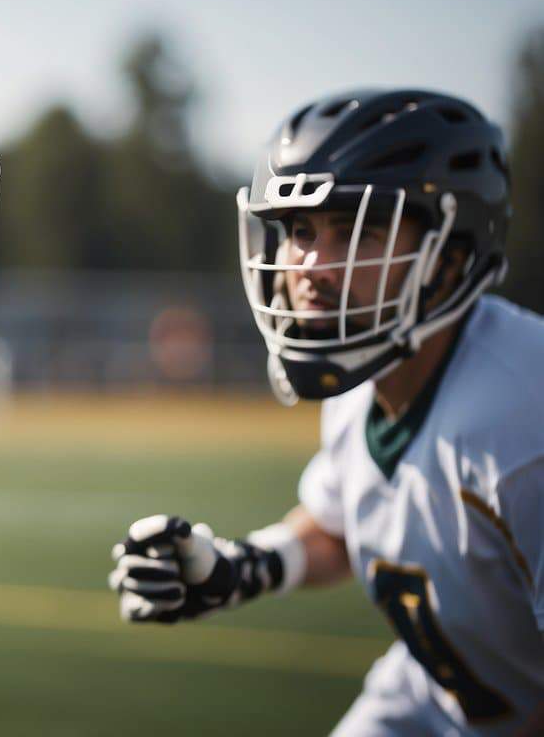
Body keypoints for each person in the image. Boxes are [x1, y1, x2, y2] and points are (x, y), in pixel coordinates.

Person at [109, 88, 543, 735]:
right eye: (301, 231)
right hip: (428, 696)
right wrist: (235, 570)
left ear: (449, 257)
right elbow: (339, 527)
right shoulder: (369, 370)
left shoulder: (524, 417)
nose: (309, 266)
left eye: (357, 231)